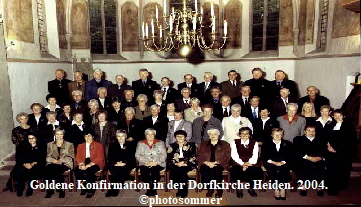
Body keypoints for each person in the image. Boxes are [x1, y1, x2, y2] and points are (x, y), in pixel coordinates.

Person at [325, 109, 357, 196]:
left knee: (341, 171)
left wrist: (337, 150)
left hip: (343, 153)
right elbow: (325, 138)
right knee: (331, 170)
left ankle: (339, 186)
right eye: (335, 115)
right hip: (331, 152)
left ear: (343, 116)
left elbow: (351, 141)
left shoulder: (349, 126)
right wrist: (328, 147)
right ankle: (331, 187)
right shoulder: (330, 125)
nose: (337, 117)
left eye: (339, 115)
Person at [293, 125, 326, 197]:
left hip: (318, 159)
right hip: (304, 158)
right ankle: (303, 187)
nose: (311, 132)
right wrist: (308, 157)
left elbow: (324, 151)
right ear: (304, 131)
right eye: (309, 130)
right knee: (302, 165)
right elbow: (296, 151)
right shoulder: (298, 139)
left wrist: (320, 157)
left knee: (321, 166)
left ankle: (319, 187)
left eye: (313, 131)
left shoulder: (320, 140)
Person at [197, 128, 231, 198]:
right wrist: (206, 162)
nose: (213, 135)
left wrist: (216, 162)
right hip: (206, 163)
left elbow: (227, 156)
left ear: (219, 135)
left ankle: (219, 190)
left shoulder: (225, 144)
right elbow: (199, 155)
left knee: (217, 170)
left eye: (215, 134)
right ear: (208, 135)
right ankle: (210, 189)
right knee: (204, 170)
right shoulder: (204, 144)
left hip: (220, 163)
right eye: (210, 134)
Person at [230, 127, 263, 198]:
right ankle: (239, 188)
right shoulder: (235, 142)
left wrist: (248, 164)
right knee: (236, 170)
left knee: (253, 170)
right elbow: (234, 155)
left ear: (249, 135)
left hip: (251, 162)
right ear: (239, 135)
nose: (244, 135)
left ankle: (251, 188)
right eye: (242, 134)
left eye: (246, 134)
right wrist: (242, 164)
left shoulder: (254, 142)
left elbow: (255, 156)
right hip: (238, 162)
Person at [261, 128, 293, 200]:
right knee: (272, 169)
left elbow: (290, 155)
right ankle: (276, 188)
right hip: (270, 162)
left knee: (284, 169)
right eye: (276, 135)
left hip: (284, 162)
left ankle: (282, 188)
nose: (278, 136)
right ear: (272, 135)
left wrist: (282, 162)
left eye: (280, 135)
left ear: (282, 135)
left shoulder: (288, 143)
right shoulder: (266, 144)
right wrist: (274, 162)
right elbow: (264, 156)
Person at [135, 129, 167, 196]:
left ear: (154, 135)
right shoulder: (140, 143)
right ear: (145, 135)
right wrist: (147, 162)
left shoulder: (160, 142)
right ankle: (149, 189)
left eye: (152, 134)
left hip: (158, 163)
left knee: (153, 171)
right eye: (148, 134)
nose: (150, 136)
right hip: (144, 163)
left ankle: (153, 189)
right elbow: (137, 155)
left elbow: (164, 155)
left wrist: (156, 162)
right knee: (145, 172)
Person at [44, 128, 74, 198]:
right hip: (53, 163)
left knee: (57, 169)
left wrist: (61, 160)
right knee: (48, 169)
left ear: (63, 135)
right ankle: (56, 189)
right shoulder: (50, 144)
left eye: (61, 134)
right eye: (57, 134)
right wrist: (54, 161)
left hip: (65, 163)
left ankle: (57, 190)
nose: (59, 136)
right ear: (54, 135)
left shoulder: (69, 144)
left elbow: (71, 156)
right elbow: (47, 156)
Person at [167, 130, 197, 198]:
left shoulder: (191, 145)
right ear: (175, 138)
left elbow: (193, 156)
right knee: (176, 170)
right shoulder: (172, 145)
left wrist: (184, 162)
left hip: (188, 162)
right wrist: (176, 163)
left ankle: (183, 190)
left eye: (182, 136)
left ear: (185, 137)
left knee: (182, 171)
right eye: (178, 136)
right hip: (175, 163)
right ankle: (180, 189)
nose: (180, 138)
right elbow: (169, 157)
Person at [106, 130, 135, 197]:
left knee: (121, 170)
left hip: (127, 163)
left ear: (125, 136)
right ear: (116, 137)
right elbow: (110, 157)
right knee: (115, 169)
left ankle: (114, 189)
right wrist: (116, 163)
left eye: (122, 136)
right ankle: (116, 187)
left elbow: (131, 157)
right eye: (119, 136)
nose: (121, 138)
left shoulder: (130, 145)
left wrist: (124, 163)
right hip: (115, 164)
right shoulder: (112, 145)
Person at [75, 132, 105, 198]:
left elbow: (100, 158)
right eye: (86, 136)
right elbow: (78, 156)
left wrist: (88, 165)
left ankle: (91, 191)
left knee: (89, 171)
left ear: (93, 137)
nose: (87, 138)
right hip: (83, 161)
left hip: (95, 162)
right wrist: (81, 164)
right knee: (77, 171)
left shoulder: (99, 145)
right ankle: (84, 188)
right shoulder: (80, 146)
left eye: (89, 136)